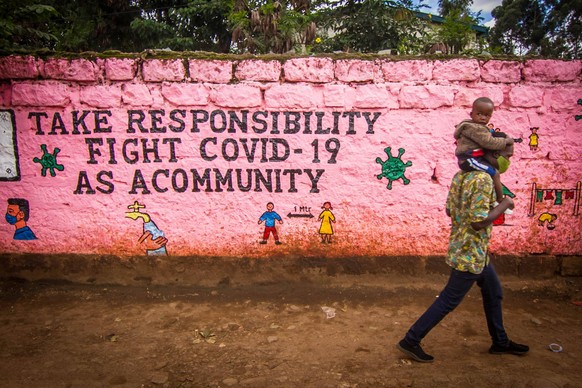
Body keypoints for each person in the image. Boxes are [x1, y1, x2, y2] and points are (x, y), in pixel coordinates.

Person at [396, 133, 528, 363]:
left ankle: (500, 341)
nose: (509, 160)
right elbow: (478, 221)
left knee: (493, 292)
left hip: (471, 249)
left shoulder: (462, 175)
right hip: (471, 252)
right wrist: (504, 204)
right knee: (449, 300)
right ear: (494, 153)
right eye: (508, 156)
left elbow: (449, 210)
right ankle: (411, 339)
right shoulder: (483, 180)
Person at [454, 97, 514, 204]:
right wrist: (505, 141)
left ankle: (492, 198)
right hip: (469, 158)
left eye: (486, 115)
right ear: (471, 114)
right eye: (479, 114)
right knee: (494, 173)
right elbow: (489, 142)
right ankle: (500, 199)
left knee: (490, 171)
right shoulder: (475, 129)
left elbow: (487, 133)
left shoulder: (474, 127)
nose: (483, 118)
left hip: (473, 158)